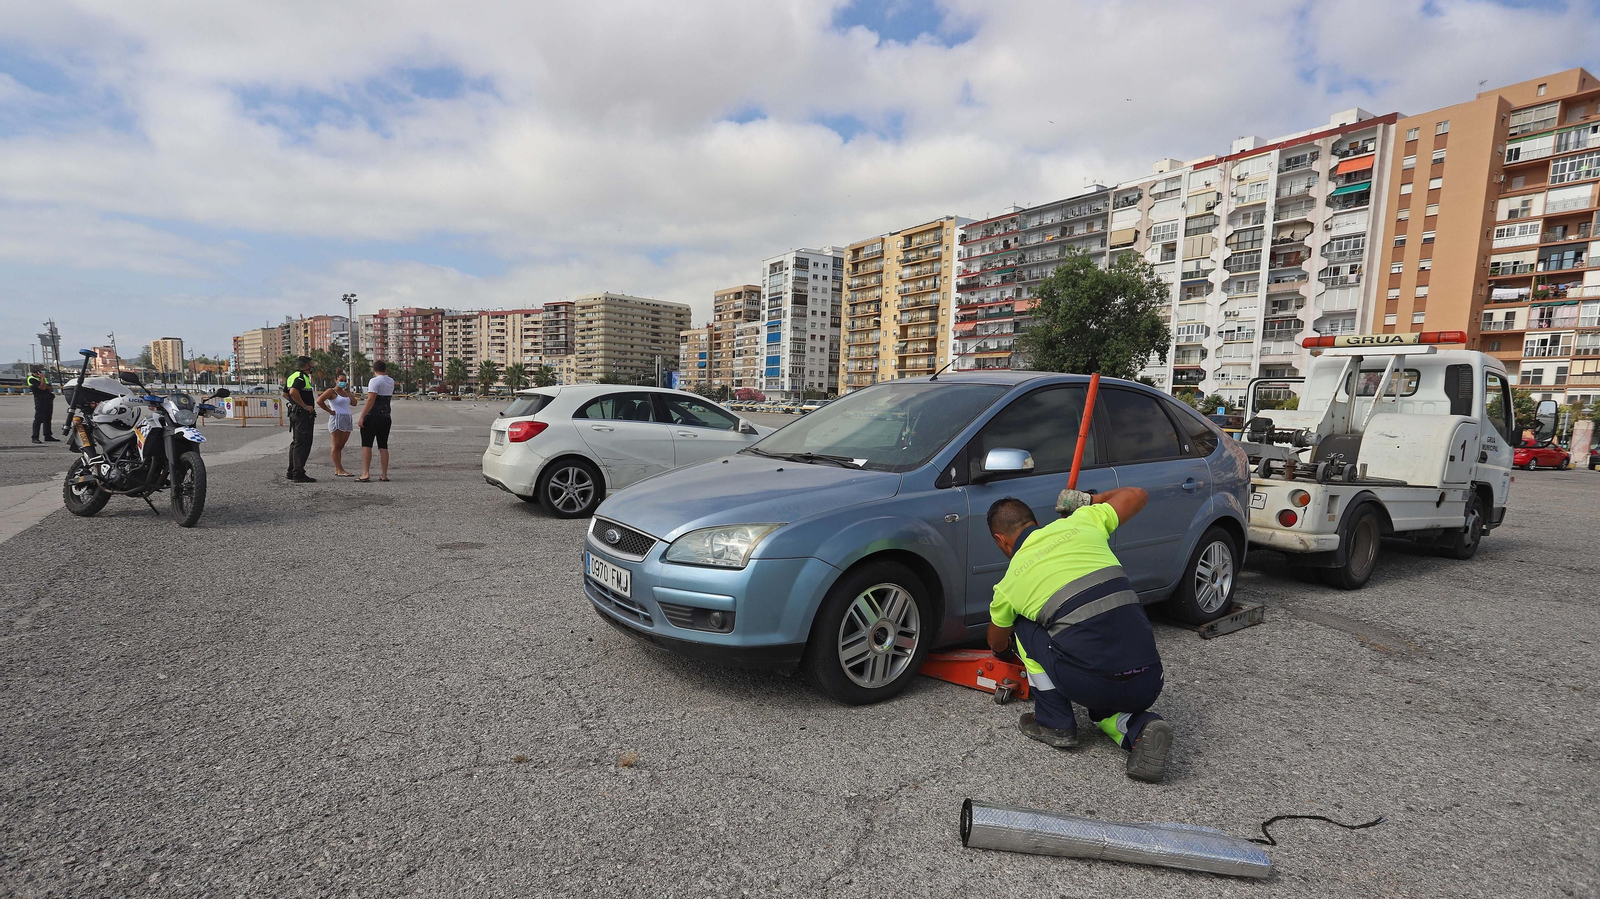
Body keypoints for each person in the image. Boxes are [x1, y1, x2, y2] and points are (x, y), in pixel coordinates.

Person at [985, 487, 1173, 783]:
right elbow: (1137, 495)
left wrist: (1003, 652)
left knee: (1019, 622)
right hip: (1149, 679)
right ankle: (1140, 728)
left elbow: (996, 640)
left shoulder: (1010, 582)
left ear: (1001, 540)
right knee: (1104, 706)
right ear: (1035, 522)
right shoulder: (1083, 521)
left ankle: (1054, 722)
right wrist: (1087, 501)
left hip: (1090, 683)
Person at [356, 360, 395, 482]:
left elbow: (371, 399)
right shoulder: (391, 381)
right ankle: (384, 474)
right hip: (386, 416)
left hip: (373, 416)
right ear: (385, 369)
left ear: (374, 370)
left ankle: (365, 473)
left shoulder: (374, 381)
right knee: (383, 446)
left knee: (367, 445)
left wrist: (362, 415)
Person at [284, 355, 318, 483]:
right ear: (307, 365)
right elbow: (293, 392)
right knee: (303, 443)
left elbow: (285, 394)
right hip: (302, 415)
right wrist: (304, 406)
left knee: (296, 442)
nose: (313, 366)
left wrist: (294, 404)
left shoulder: (292, 376)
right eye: (311, 364)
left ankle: (292, 471)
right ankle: (298, 473)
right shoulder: (301, 377)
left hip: (295, 412)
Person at [317, 372, 356, 477]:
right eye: (341, 380)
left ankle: (338, 468)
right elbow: (319, 401)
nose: (343, 382)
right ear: (335, 380)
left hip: (347, 418)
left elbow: (354, 403)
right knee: (336, 445)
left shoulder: (345, 392)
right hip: (337, 418)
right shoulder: (331, 391)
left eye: (345, 381)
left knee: (341, 446)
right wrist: (330, 411)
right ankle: (339, 469)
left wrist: (349, 392)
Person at [27, 367, 59, 445]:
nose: (41, 373)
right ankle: (35, 437)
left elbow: (51, 389)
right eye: (39, 372)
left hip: (48, 399)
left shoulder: (44, 379)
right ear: (36, 373)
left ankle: (47, 435)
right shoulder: (31, 379)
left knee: (47, 418)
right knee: (38, 419)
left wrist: (43, 381)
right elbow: (42, 387)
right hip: (40, 399)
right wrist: (42, 379)